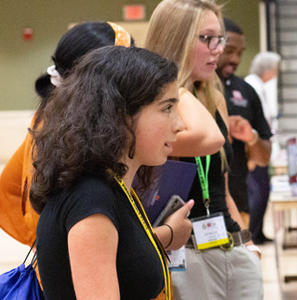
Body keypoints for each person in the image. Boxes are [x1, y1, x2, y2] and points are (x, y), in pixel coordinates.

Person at [0, 21, 213, 250]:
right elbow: (89, 248)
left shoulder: (56, 127)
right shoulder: (88, 184)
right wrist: (166, 235)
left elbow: (9, 188)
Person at [31, 45, 186, 300]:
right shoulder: (91, 198)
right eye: (167, 108)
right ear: (121, 114)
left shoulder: (110, 186)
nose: (180, 125)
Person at [146, 1, 263, 299]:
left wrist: (247, 245)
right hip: (185, 254)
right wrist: (175, 83)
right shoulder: (150, 104)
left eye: (219, 39)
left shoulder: (213, 96)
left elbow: (220, 185)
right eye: (207, 38)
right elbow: (209, 137)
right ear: (177, 40)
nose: (217, 49)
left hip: (231, 243)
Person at [216, 18, 273, 245]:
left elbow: (264, 156)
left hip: (238, 200)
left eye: (240, 53)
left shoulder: (246, 91)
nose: (235, 59)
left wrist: (251, 137)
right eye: (229, 51)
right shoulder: (190, 88)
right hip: (197, 205)